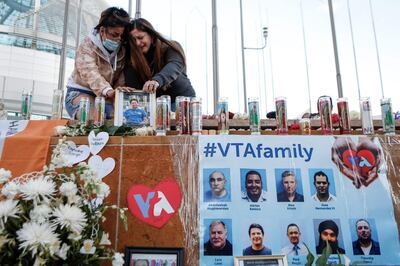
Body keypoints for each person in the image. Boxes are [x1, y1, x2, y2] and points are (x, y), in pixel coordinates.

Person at [65, 7, 132, 120]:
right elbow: (89, 72)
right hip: (81, 92)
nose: (118, 39)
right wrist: (108, 91)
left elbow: (120, 78)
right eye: (114, 35)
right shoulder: (87, 46)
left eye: (121, 36)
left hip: (107, 96)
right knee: (93, 118)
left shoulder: (122, 51)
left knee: (118, 121)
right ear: (102, 31)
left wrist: (119, 92)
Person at [124, 18, 196, 111]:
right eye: (134, 40)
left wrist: (156, 81)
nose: (138, 43)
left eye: (141, 37)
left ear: (152, 36)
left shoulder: (170, 46)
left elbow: (175, 64)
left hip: (181, 100)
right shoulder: (132, 59)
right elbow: (133, 87)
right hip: (155, 106)